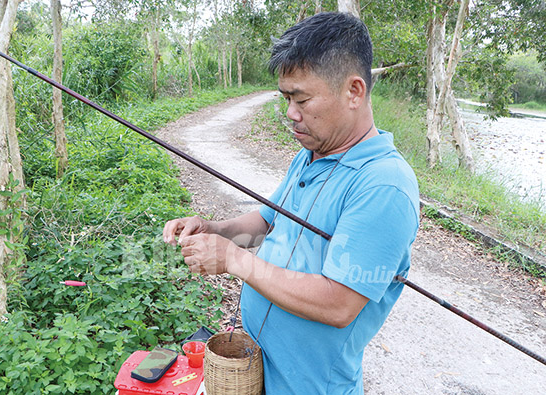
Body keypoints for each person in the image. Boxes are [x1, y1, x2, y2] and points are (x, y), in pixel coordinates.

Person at [163, 12, 419, 394]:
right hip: (257, 369)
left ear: (354, 91)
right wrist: (215, 230)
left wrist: (234, 260)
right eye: (285, 98)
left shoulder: (384, 187)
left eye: (302, 99)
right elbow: (268, 221)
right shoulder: (311, 153)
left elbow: (338, 304)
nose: (290, 114)